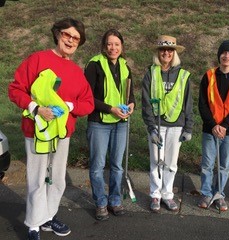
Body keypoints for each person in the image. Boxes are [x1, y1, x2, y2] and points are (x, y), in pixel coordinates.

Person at [8, 18, 94, 240]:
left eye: (76, 38)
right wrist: (36, 108)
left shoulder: (76, 72)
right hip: (37, 130)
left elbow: (88, 103)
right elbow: (16, 89)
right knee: (37, 178)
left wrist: (70, 106)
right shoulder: (37, 59)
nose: (71, 40)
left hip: (62, 133)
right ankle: (34, 223)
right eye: (67, 35)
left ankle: (48, 216)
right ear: (57, 34)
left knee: (57, 179)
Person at [84, 29, 135, 220]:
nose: (113, 48)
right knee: (97, 165)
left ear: (122, 47)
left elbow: (131, 96)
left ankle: (114, 200)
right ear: (104, 46)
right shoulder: (94, 64)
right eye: (109, 44)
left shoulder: (125, 65)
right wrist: (110, 109)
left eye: (117, 44)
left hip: (120, 123)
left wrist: (131, 105)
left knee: (117, 165)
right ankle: (100, 202)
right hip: (99, 123)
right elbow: (87, 97)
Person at [141, 35, 193, 213]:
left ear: (174, 53)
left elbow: (188, 103)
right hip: (157, 125)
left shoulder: (183, 75)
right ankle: (155, 194)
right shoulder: (151, 73)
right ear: (158, 52)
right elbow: (146, 103)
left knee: (171, 163)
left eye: (170, 50)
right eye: (163, 49)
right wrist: (151, 128)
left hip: (176, 125)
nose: (166, 53)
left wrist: (188, 128)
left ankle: (167, 194)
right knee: (156, 161)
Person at [198, 39, 229, 212]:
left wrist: (225, 124)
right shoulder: (209, 76)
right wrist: (213, 125)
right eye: (223, 53)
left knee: (224, 164)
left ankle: (218, 194)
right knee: (207, 163)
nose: (226, 56)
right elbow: (202, 104)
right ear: (219, 55)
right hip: (210, 128)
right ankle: (205, 193)